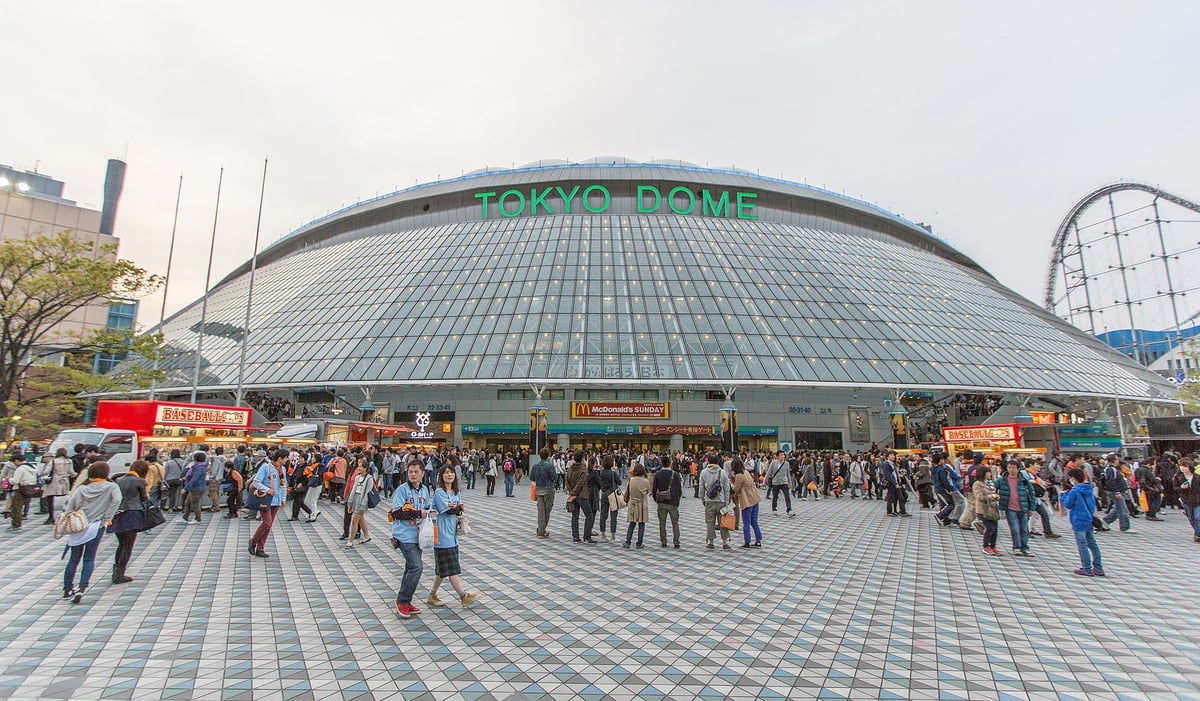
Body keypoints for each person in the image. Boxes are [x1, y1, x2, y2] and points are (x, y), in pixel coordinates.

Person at [61, 462, 122, 604]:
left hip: (79, 525)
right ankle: (82, 588)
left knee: (74, 558)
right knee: (89, 558)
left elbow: (71, 506)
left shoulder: (82, 488)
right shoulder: (111, 486)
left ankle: (67, 589)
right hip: (96, 525)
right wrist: (107, 518)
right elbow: (117, 500)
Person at [426, 466, 478, 608]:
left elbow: (459, 509)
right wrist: (457, 508)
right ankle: (463, 596)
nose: (449, 475)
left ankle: (432, 595)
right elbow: (449, 510)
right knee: (451, 569)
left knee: (442, 569)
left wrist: (458, 508)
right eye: (446, 473)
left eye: (451, 472)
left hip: (452, 534)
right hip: (442, 536)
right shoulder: (439, 492)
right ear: (441, 476)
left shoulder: (456, 492)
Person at [392, 460, 431, 618]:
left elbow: (426, 508)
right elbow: (396, 512)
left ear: (422, 473)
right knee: (417, 566)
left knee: (410, 568)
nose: (413, 474)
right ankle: (402, 601)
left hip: (418, 535)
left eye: (416, 471)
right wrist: (417, 513)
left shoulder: (424, 490)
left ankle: (406, 601)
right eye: (410, 472)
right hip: (404, 535)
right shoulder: (402, 490)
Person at [109, 461, 149, 583]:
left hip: (117, 513)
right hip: (132, 513)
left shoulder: (118, 480)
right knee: (128, 545)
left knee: (121, 543)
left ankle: (116, 570)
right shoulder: (140, 481)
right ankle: (120, 573)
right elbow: (143, 498)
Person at [1061, 467, 1104, 576]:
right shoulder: (1089, 489)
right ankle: (1098, 567)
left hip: (1078, 519)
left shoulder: (1074, 491)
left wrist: (1063, 496)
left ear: (1073, 479)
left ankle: (1087, 568)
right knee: (1092, 544)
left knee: (1082, 544)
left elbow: (1068, 504)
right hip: (1089, 518)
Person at [247, 450, 285, 558]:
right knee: (267, 523)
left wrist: (283, 498)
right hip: (266, 499)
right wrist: (267, 490)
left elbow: (283, 484)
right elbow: (256, 482)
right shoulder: (266, 468)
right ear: (280, 458)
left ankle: (260, 548)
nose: (287, 460)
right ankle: (253, 541)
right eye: (285, 458)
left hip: (276, 500)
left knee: (269, 526)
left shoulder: (282, 469)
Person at [996, 459, 1037, 557]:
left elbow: (1032, 494)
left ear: (1018, 469)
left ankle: (1025, 547)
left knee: (1024, 529)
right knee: (1014, 528)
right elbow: (993, 488)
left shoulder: (1024, 481)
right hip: (1010, 508)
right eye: (1009, 467)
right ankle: (1016, 547)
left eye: (1013, 468)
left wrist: (1032, 508)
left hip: (1023, 508)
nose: (1011, 470)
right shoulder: (1002, 480)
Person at [700, 454, 732, 550]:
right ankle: (725, 543)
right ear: (718, 462)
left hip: (709, 500)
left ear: (708, 461)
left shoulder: (704, 472)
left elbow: (701, 488)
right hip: (721, 500)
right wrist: (727, 500)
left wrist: (702, 499)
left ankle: (711, 542)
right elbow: (727, 488)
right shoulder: (722, 472)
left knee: (710, 522)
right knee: (723, 522)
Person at [565, 451, 596, 543]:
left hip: (573, 496)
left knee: (575, 516)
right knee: (589, 515)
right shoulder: (583, 469)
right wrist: (574, 492)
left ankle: (575, 536)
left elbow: (567, 481)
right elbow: (581, 482)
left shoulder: (570, 468)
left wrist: (571, 493)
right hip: (582, 495)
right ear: (582, 458)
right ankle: (587, 536)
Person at [731, 459, 762, 548]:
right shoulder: (746, 472)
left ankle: (747, 541)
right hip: (755, 498)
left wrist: (732, 486)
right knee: (754, 521)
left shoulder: (739, 476)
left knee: (746, 522)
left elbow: (736, 489)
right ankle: (758, 540)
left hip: (747, 500)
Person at [652, 457, 683, 548]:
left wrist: (656, 499)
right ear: (670, 463)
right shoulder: (675, 474)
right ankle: (676, 542)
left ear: (661, 463)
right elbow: (679, 489)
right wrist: (677, 500)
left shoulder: (657, 474)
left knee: (662, 523)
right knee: (675, 523)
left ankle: (663, 541)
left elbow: (654, 489)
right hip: (673, 502)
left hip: (661, 501)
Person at [345, 460, 375, 547]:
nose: (359, 468)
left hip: (362, 501)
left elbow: (367, 493)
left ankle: (350, 540)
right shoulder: (357, 478)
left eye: (361, 466)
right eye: (359, 466)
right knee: (361, 519)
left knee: (354, 520)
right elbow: (353, 490)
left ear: (365, 468)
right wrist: (350, 503)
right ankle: (367, 536)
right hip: (355, 499)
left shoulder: (369, 478)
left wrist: (363, 505)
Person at [972, 466, 1001, 555]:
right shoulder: (977, 484)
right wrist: (991, 496)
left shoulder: (991, 483)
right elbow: (979, 497)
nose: (990, 474)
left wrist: (996, 497)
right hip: (983, 509)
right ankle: (986, 546)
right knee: (990, 528)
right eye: (988, 473)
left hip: (993, 508)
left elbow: (994, 493)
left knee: (995, 528)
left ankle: (993, 545)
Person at [529, 448, 557, 538]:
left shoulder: (535, 465)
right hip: (548, 489)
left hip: (538, 490)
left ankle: (541, 530)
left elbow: (531, 477)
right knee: (547, 511)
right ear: (548, 456)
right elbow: (554, 477)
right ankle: (541, 530)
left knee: (541, 511)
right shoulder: (550, 465)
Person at [622, 463, 651, 549]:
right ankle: (639, 543)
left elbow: (629, 492)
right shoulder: (646, 481)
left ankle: (628, 542)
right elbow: (648, 491)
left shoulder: (631, 480)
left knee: (632, 523)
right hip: (642, 504)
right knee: (641, 524)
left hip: (633, 504)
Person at [1100, 455, 1132, 532]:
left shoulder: (1111, 469)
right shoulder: (1111, 469)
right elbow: (1111, 481)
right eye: (1117, 459)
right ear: (1114, 460)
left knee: (1118, 509)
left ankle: (1105, 521)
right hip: (1115, 492)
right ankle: (1125, 527)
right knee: (1123, 510)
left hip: (1116, 491)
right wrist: (1117, 492)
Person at [42, 448, 74, 524]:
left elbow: (46, 471)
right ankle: (63, 517)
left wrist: (41, 473)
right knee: (63, 499)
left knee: (51, 499)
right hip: (65, 481)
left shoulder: (53, 461)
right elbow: (71, 472)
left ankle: (51, 517)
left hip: (54, 481)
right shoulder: (69, 461)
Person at [6, 454, 37, 530]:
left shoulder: (20, 469)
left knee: (16, 507)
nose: (14, 464)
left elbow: (15, 481)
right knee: (23, 505)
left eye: (14, 462)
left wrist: (9, 479)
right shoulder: (33, 467)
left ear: (17, 460)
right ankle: (17, 524)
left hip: (20, 489)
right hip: (30, 488)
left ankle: (16, 525)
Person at [596, 455, 622, 541]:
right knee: (613, 515)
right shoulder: (613, 473)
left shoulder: (601, 472)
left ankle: (603, 534)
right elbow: (620, 482)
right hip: (612, 494)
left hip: (604, 494)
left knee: (603, 515)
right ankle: (613, 535)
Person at [179, 452, 208, 524]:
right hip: (195, 488)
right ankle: (185, 517)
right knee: (188, 503)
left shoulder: (198, 468)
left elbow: (194, 479)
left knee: (194, 503)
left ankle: (198, 519)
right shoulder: (200, 466)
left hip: (197, 488)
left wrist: (185, 488)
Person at [1175, 459, 1200, 543]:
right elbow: (1175, 488)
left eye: (1185, 466)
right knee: (1191, 518)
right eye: (1181, 466)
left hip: (1197, 500)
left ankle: (1198, 534)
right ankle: (1197, 533)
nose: (1182, 468)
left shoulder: (1197, 477)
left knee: (1198, 517)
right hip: (1186, 500)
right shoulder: (1178, 477)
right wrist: (1181, 488)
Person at [766, 452, 794, 516]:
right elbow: (769, 472)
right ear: (777, 456)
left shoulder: (786, 463)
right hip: (776, 482)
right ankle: (774, 509)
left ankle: (789, 510)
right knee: (775, 496)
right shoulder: (773, 463)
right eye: (781, 455)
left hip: (784, 481)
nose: (783, 456)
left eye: (783, 455)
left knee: (787, 496)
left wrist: (790, 482)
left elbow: (788, 473)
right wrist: (764, 481)